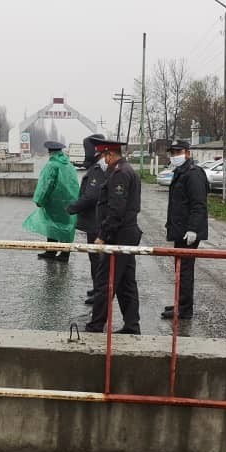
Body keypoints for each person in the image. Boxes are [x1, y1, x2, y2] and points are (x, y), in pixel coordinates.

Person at [85, 139, 142, 335]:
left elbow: (116, 210)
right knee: (126, 283)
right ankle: (132, 325)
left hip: (118, 236)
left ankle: (96, 325)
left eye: (103, 156)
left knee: (104, 281)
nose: (103, 161)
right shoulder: (125, 170)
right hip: (127, 235)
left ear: (109, 154)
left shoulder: (119, 174)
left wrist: (103, 235)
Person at [162, 139, 209, 320]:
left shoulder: (193, 174)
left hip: (188, 232)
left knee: (185, 270)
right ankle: (180, 303)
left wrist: (193, 229)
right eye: (172, 153)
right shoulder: (181, 172)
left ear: (188, 153)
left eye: (178, 152)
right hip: (180, 230)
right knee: (180, 269)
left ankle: (184, 309)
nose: (175, 156)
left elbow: (199, 204)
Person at [67, 134, 108, 305]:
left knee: (97, 260)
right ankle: (98, 288)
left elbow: (91, 196)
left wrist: (72, 208)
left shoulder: (98, 170)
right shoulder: (95, 167)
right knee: (96, 259)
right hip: (95, 221)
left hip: (96, 222)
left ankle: (100, 292)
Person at [23, 140, 80, 261]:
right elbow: (75, 184)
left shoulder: (51, 165)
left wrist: (39, 200)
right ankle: (65, 254)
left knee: (52, 225)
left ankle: (51, 251)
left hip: (54, 202)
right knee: (67, 226)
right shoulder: (69, 165)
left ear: (50, 152)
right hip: (69, 201)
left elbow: (46, 184)